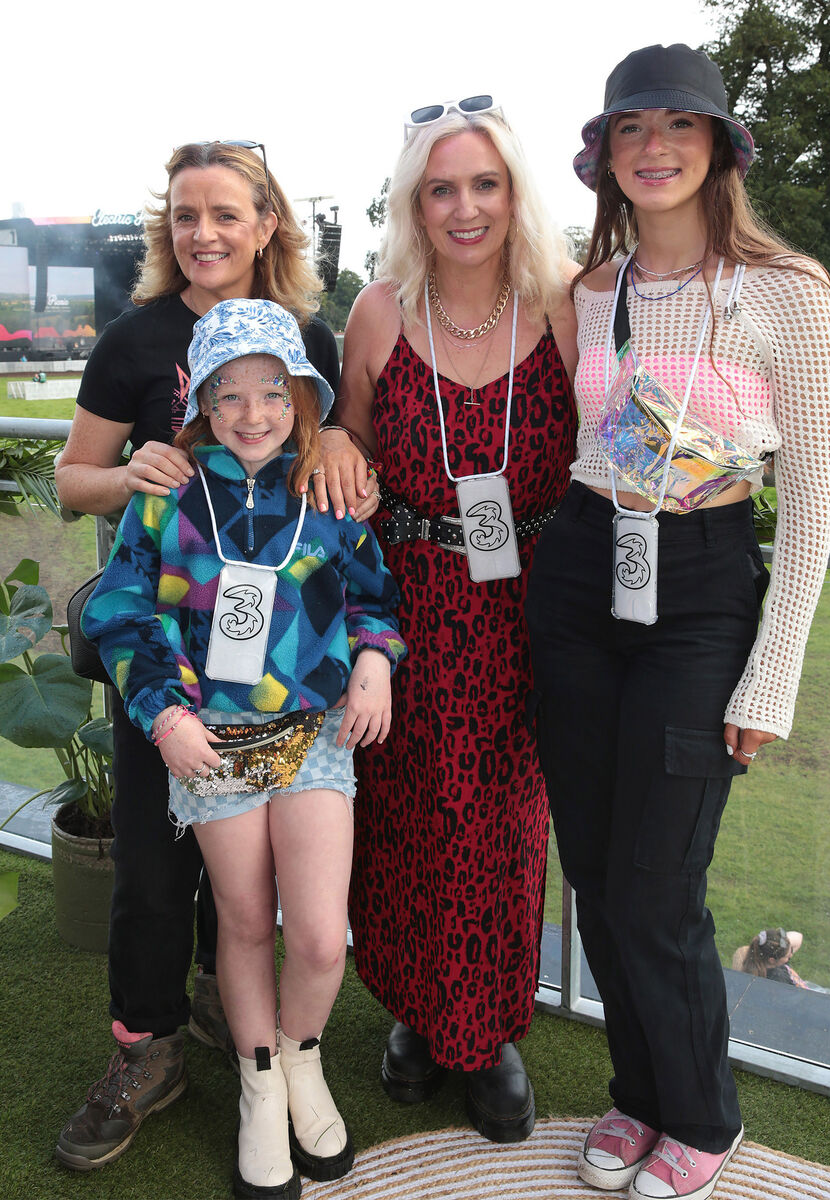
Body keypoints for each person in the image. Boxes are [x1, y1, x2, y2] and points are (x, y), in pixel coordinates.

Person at [526, 44, 830, 1200]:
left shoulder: (789, 293)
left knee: (660, 883)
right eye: (630, 129)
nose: (654, 146)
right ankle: (639, 1095)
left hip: (704, 589)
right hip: (580, 575)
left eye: (678, 125)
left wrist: (769, 683)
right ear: (606, 158)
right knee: (599, 869)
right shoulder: (590, 290)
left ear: (718, 146)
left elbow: (807, 504)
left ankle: (703, 1118)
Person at [53, 141, 368, 1172]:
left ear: (265, 223)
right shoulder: (135, 346)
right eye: (185, 214)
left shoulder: (304, 351)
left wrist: (373, 656)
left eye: (225, 213)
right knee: (173, 880)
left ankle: (276, 1048)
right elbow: (80, 497)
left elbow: (354, 560)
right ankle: (178, 1056)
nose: (204, 232)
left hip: (302, 706)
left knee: (295, 920)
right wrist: (141, 479)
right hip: (188, 687)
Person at [81, 298, 406, 1198]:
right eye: (230, 395)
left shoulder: (327, 488)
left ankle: (301, 1059)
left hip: (314, 737)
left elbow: (374, 598)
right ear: (202, 404)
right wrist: (164, 713)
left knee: (313, 936)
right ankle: (259, 1085)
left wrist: (374, 664)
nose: (254, 413)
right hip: (210, 743)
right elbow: (120, 613)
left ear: (303, 395)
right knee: (241, 919)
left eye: (273, 390)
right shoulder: (171, 495)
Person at [320, 98, 578, 1142]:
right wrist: (338, 442)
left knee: (506, 828)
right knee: (409, 822)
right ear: (412, 205)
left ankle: (490, 1032)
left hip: (532, 603)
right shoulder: (382, 310)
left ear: (514, 193)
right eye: (441, 188)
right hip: (408, 604)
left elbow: (657, 410)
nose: (465, 207)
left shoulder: (564, 301)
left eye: (485, 184)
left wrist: (799, 444)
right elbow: (349, 425)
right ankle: (418, 1017)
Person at [734, 929, 830, 999]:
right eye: (787, 955)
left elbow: (798, 936)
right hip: (819, 1002)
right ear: (773, 960)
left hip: (816, 994)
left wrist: (782, 943)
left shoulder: (765, 960)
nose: (791, 955)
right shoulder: (778, 979)